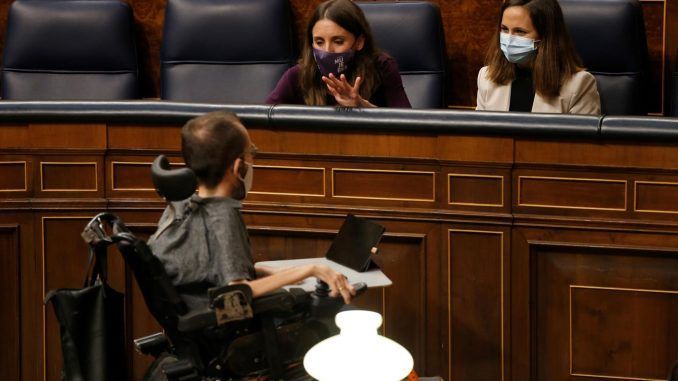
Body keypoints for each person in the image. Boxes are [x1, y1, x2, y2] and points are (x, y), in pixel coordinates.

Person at [148, 111, 355, 310]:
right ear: (239, 167)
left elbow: (210, 272)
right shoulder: (223, 217)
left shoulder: (182, 204)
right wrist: (311, 269)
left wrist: (285, 273)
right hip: (225, 329)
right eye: (251, 153)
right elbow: (234, 294)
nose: (252, 159)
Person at [265, 0, 411, 108]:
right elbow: (261, 119)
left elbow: (409, 124)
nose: (327, 50)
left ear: (359, 42)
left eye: (338, 41)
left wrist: (362, 105)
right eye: (319, 42)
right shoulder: (297, 75)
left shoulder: (382, 67)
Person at [476, 0, 601, 115]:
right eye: (504, 29)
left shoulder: (579, 85)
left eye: (520, 31)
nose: (508, 39)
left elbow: (580, 139)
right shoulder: (486, 78)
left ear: (545, 37)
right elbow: (480, 136)